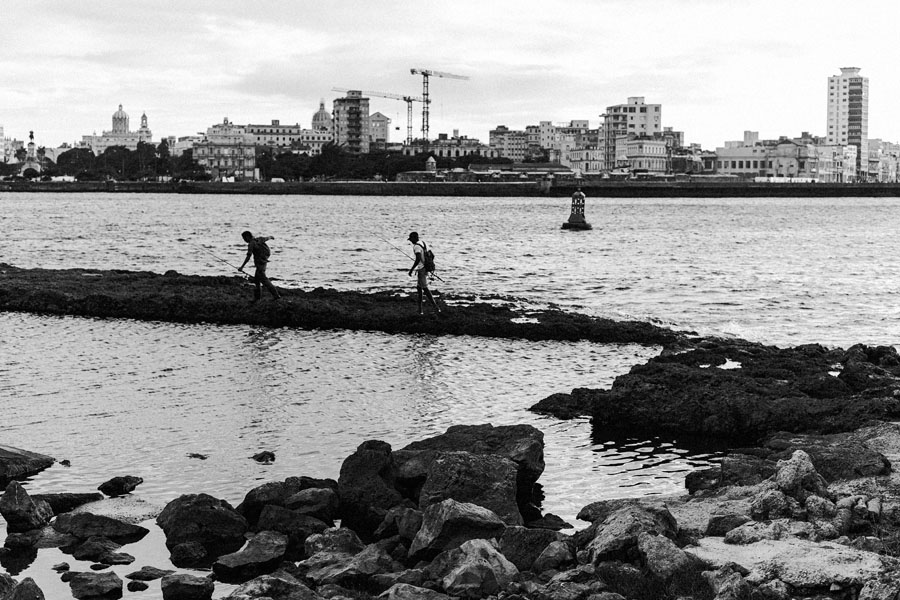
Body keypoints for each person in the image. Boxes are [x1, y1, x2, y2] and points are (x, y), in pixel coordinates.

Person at [238, 230, 282, 302]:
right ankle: (257, 298)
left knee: (265, 280)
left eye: (244, 238)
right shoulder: (259, 239)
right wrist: (271, 237)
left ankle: (276, 296)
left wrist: (242, 267)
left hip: (260, 264)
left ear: (247, 237)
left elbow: (248, 256)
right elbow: (267, 238)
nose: (244, 240)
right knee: (257, 281)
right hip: (264, 262)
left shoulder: (251, 244)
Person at [407, 231, 440, 315]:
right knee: (419, 288)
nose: (411, 241)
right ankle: (420, 309)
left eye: (411, 239)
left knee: (425, 288)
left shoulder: (416, 247)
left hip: (421, 269)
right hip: (425, 268)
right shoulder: (423, 243)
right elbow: (432, 255)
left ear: (414, 238)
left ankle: (436, 307)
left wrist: (411, 270)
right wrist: (427, 264)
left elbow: (418, 259)